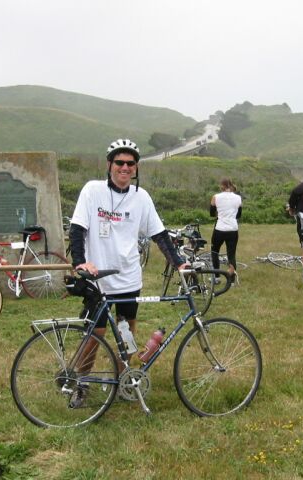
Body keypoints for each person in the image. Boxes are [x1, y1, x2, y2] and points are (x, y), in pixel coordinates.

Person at [68, 138, 185, 405]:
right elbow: (77, 229)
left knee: (126, 334)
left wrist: (179, 263)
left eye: (130, 164)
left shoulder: (140, 197)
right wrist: (80, 262)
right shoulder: (92, 190)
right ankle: (82, 384)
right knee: (93, 335)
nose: (124, 167)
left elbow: (160, 234)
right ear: (109, 164)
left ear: (136, 168)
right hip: (98, 280)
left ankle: (124, 380)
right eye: (119, 162)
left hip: (128, 278)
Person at [210, 178, 242, 278]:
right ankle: (231, 280)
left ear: (221, 186)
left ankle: (217, 277)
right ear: (231, 185)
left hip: (219, 229)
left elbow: (211, 213)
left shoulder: (216, 197)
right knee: (231, 254)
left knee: (215, 252)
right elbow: (238, 215)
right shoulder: (238, 198)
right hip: (233, 229)